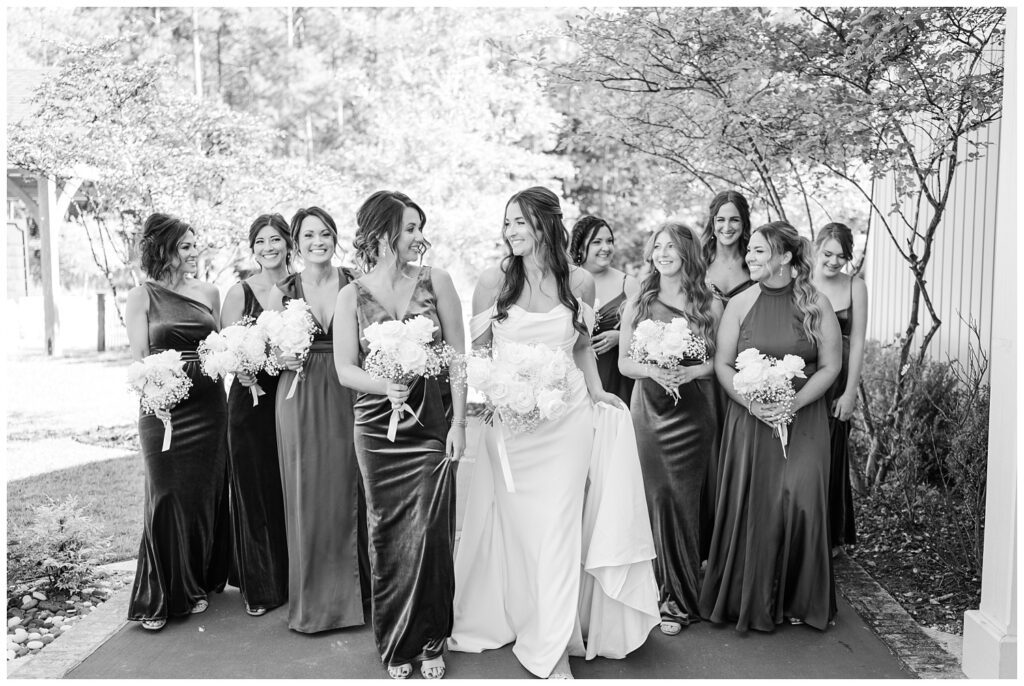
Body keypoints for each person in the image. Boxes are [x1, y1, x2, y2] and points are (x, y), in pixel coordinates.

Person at [449, 187, 658, 679]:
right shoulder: (491, 281)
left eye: (519, 222)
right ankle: (526, 616)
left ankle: (554, 644)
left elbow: (581, 347)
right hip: (513, 428)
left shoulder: (579, 281)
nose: (511, 232)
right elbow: (476, 356)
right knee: (524, 533)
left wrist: (597, 392)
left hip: (567, 421)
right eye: (507, 224)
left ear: (544, 223)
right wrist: (493, 400)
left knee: (560, 528)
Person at [333, 191, 466, 679]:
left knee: (431, 533)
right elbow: (346, 369)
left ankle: (432, 638)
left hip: (429, 425)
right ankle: (396, 643)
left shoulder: (439, 282)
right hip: (374, 428)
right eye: (408, 228)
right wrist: (384, 383)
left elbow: (456, 358)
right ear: (382, 232)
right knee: (385, 533)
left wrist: (459, 424)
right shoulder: (352, 294)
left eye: (418, 228)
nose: (417, 237)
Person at [699, 220, 841, 632]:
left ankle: (800, 598)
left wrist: (794, 402)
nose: (750, 257)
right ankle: (752, 596)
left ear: (784, 257)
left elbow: (831, 364)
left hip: (806, 415)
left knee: (803, 495)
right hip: (751, 419)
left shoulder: (816, 304)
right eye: (751, 251)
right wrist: (752, 404)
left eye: (759, 251)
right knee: (756, 504)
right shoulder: (740, 303)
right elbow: (723, 365)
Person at [124, 213, 231, 631]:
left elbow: (217, 344)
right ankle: (160, 594)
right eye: (185, 246)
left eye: (194, 244)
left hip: (208, 405)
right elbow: (139, 357)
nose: (193, 252)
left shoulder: (209, 291)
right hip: (161, 405)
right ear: (164, 249)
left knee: (201, 495)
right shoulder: (141, 296)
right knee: (165, 493)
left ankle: (196, 582)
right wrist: (156, 394)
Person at [267, 206, 369, 633]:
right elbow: (269, 355)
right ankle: (314, 603)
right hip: (300, 394)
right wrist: (281, 356)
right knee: (308, 493)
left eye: (324, 233)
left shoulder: (354, 283)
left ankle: (358, 598)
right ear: (296, 242)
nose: (317, 242)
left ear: (335, 237)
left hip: (348, 392)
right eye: (308, 236)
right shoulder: (283, 290)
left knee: (352, 488)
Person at [618, 222, 722, 636]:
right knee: (655, 499)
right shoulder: (638, 302)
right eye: (657, 246)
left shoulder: (709, 304)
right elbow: (626, 363)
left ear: (687, 254)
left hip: (694, 416)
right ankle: (657, 592)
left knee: (685, 501)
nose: (663, 253)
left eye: (671, 247)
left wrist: (688, 370)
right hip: (649, 412)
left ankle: (680, 600)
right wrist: (654, 370)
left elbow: (719, 362)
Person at [219, 213, 293, 618]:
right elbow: (224, 346)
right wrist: (239, 366)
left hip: (293, 398)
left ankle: (295, 577)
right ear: (253, 248)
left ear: (288, 243)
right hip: (249, 405)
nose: (268, 248)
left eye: (275, 240)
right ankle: (261, 585)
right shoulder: (239, 292)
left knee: (287, 488)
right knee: (253, 491)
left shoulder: (303, 288)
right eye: (260, 242)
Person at [698, 189, 755, 560]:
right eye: (720, 219)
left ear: (744, 222)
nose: (727, 227)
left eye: (734, 219)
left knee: (739, 456)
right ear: (712, 223)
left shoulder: (755, 262)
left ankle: (738, 545)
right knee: (708, 454)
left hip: (747, 367)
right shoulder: (698, 263)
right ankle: (705, 543)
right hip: (704, 369)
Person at [812, 223, 868, 554]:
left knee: (832, 454)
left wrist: (850, 392)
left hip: (839, 381)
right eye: (828, 254)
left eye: (841, 257)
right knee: (807, 454)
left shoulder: (855, 287)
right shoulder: (801, 281)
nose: (834, 262)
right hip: (806, 373)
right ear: (816, 248)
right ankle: (802, 527)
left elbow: (858, 341)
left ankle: (831, 534)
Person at [570, 215, 640, 405]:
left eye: (609, 241)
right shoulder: (565, 283)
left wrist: (620, 337)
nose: (606, 247)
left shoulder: (629, 285)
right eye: (597, 242)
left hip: (618, 380)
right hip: (576, 380)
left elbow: (650, 335)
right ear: (580, 246)